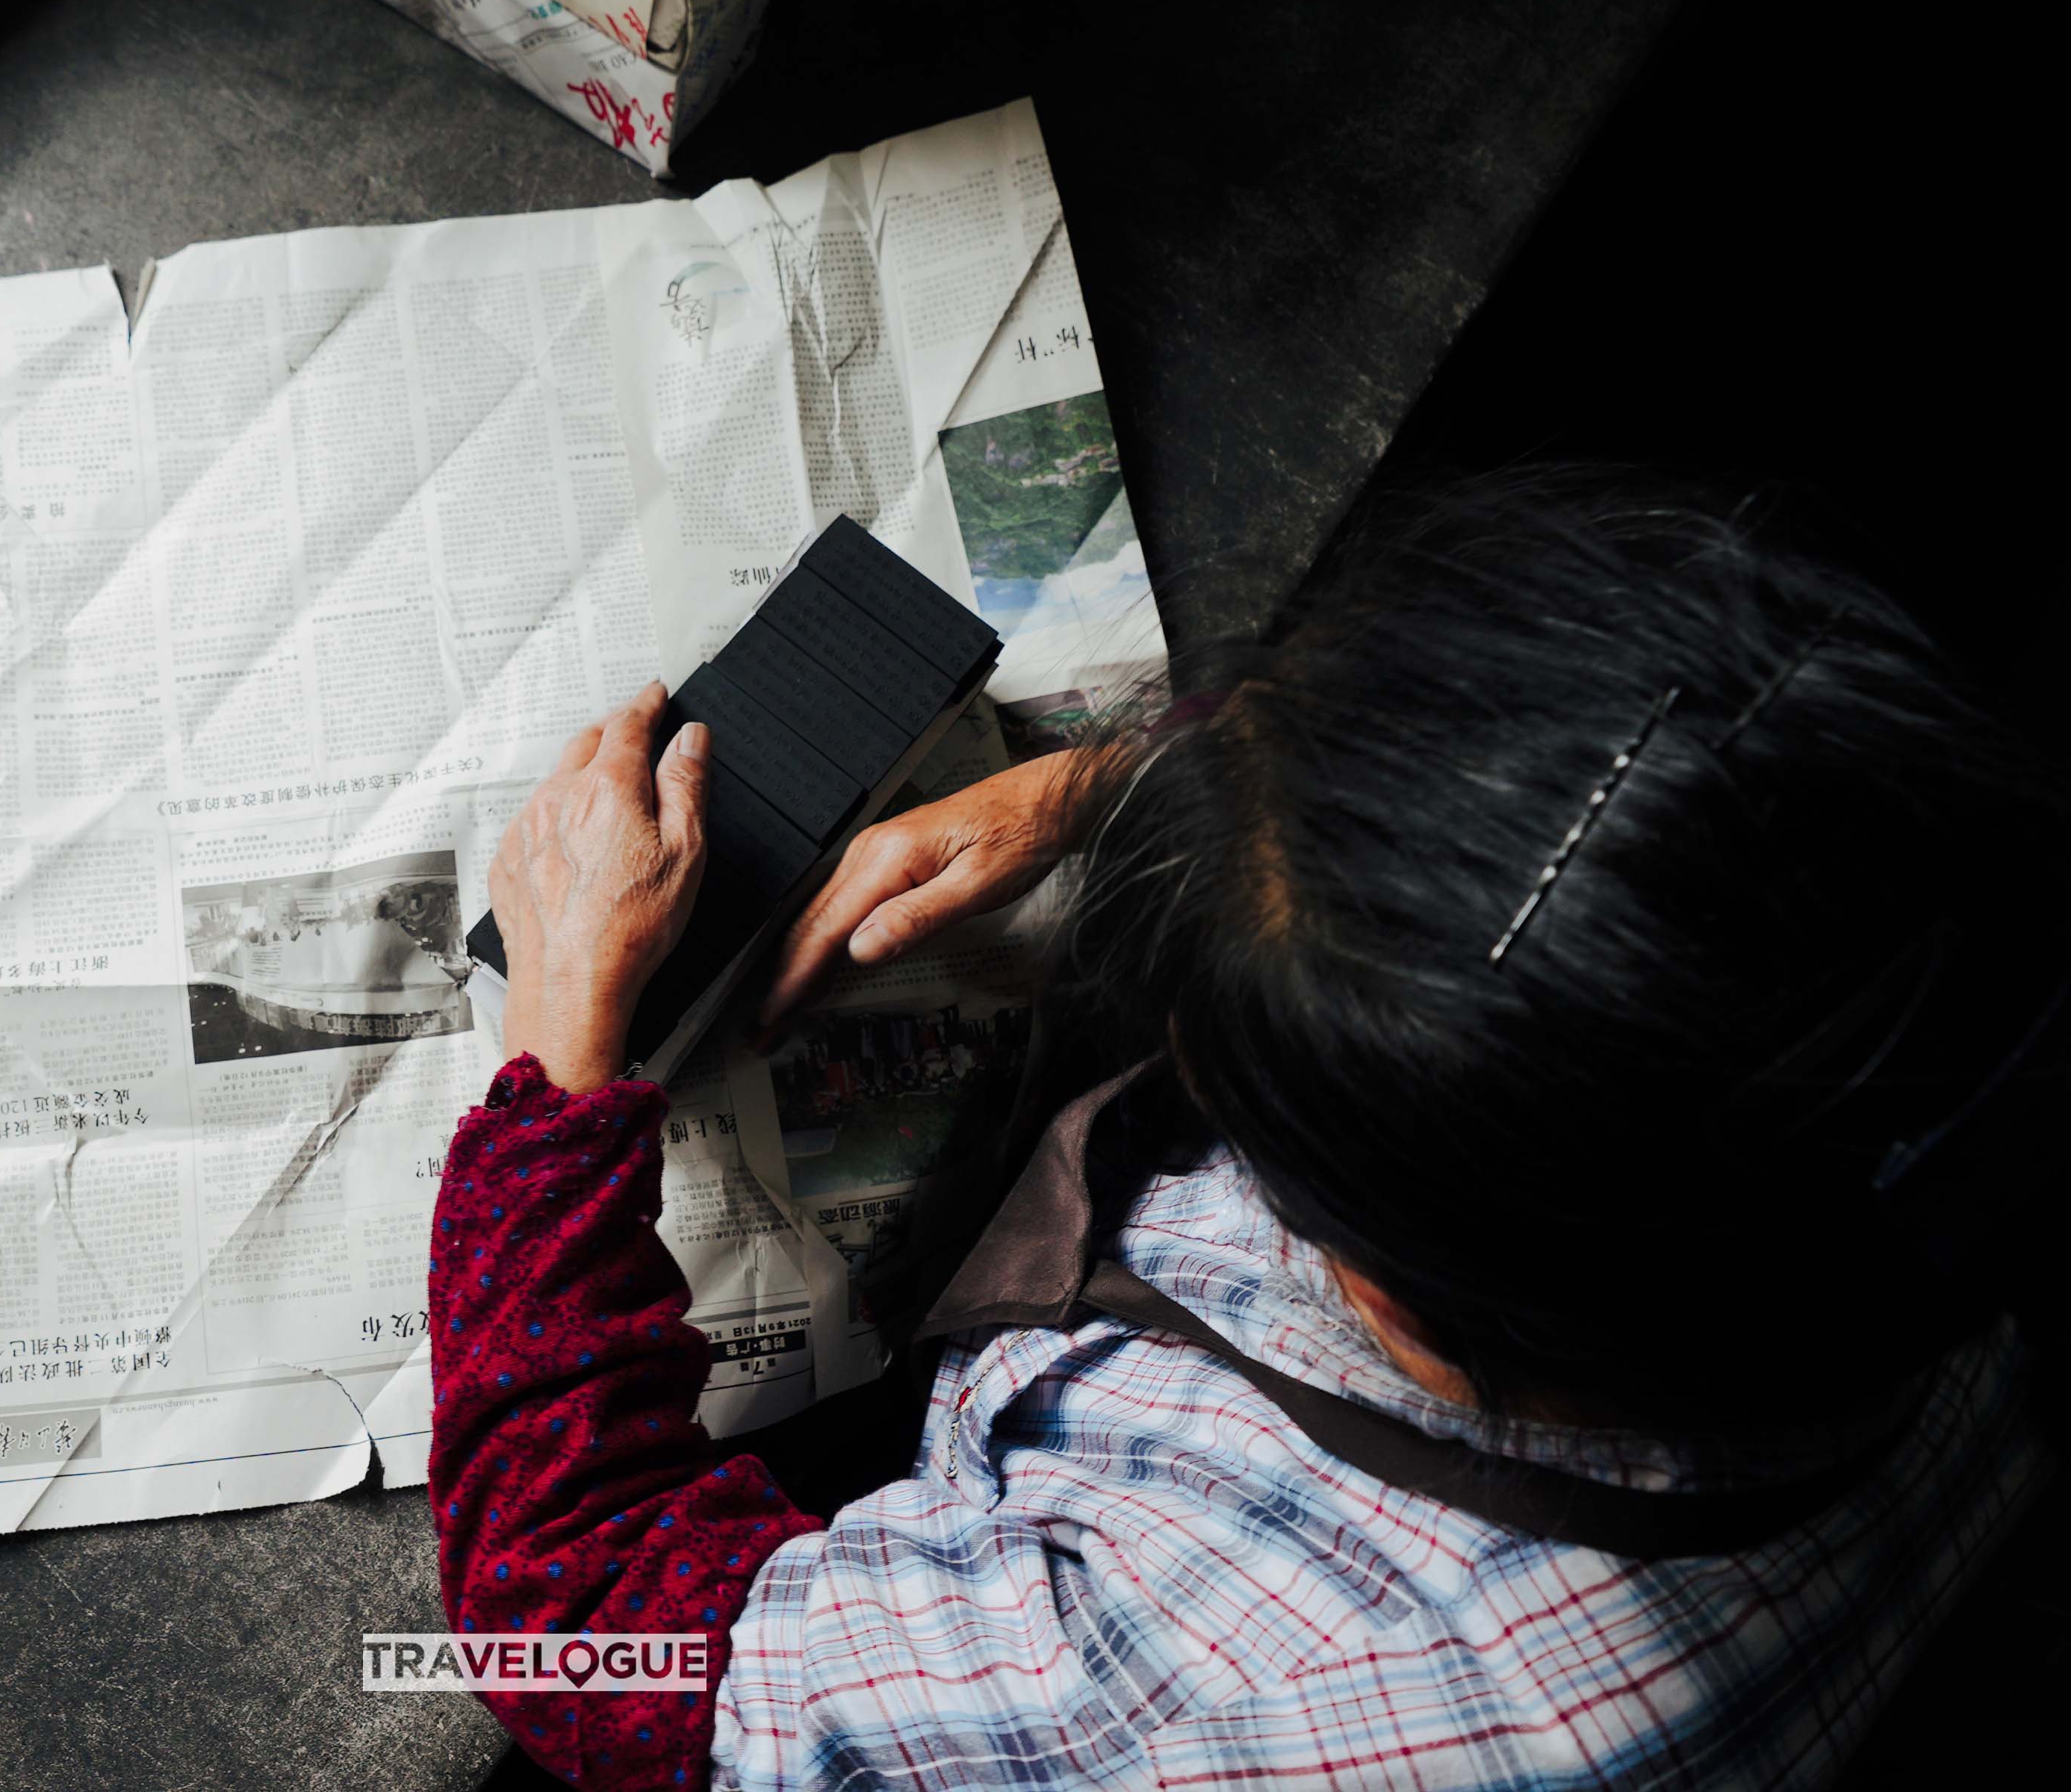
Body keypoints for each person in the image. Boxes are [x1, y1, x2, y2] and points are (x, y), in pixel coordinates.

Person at [429, 471, 2058, 1791]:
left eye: (1252, 1097)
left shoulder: (1206, 1688)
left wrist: (561, 1057)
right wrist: (1165, 804)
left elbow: (576, 1635)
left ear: (1391, 1295)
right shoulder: (1917, 1038)